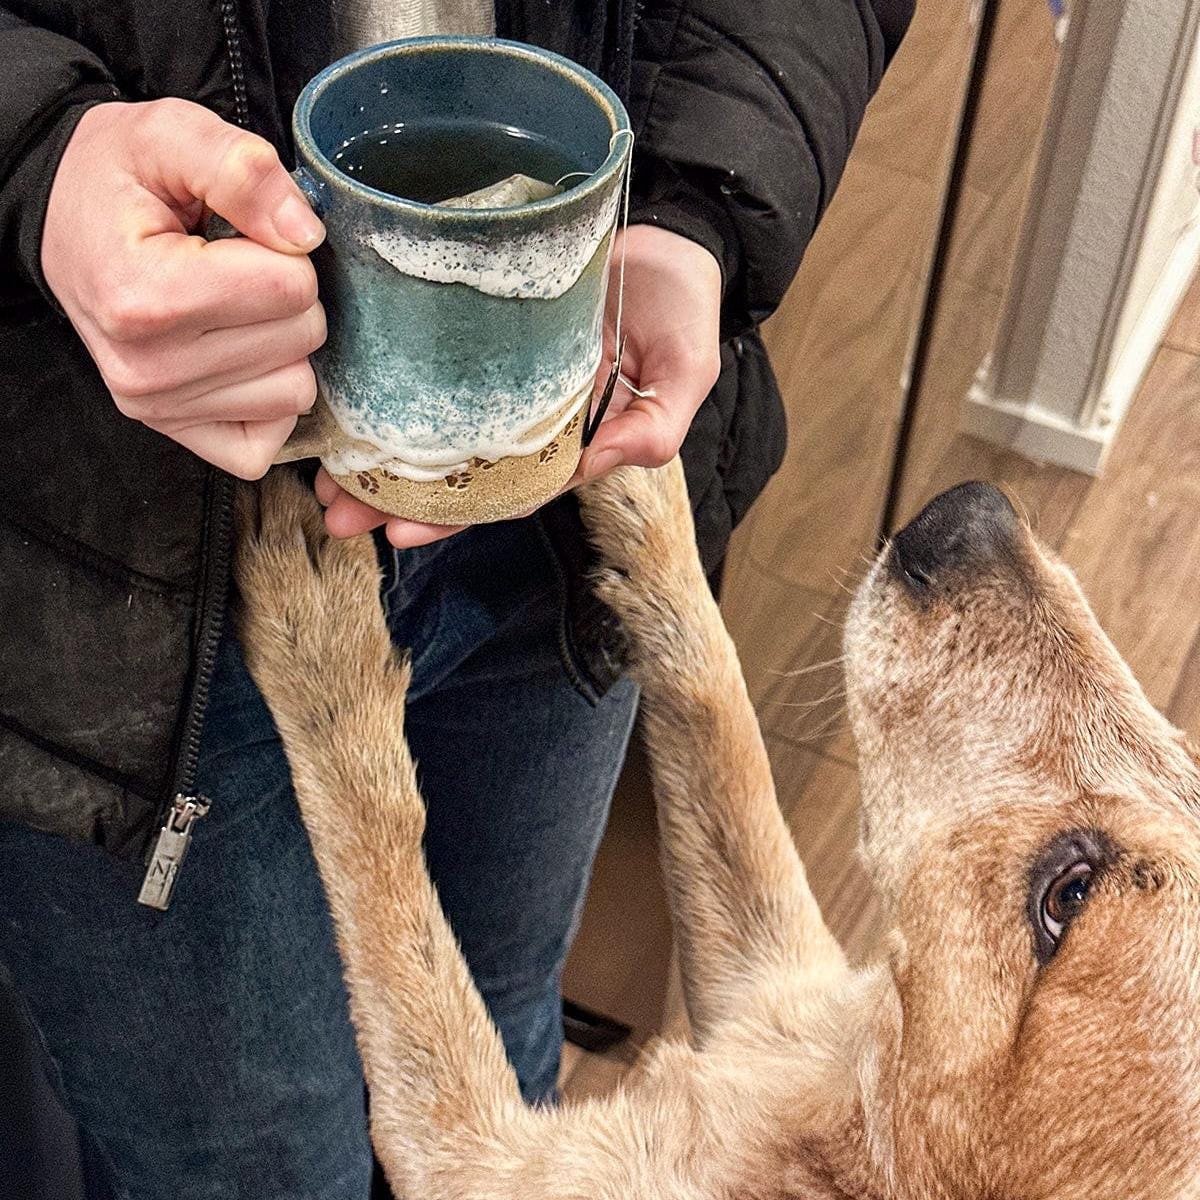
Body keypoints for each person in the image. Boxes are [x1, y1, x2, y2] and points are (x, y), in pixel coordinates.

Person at [0, 1, 912, 1196]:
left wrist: (694, 207)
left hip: (559, 489)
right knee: (259, 1174)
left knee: (512, 1046)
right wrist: (35, 156)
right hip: (120, 562)